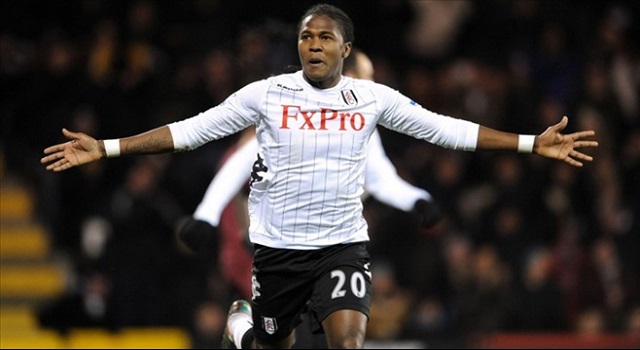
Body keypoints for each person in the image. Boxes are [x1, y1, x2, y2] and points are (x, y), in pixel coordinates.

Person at [41, 3, 598, 348]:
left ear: (345, 49)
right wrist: (108, 147)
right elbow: (192, 130)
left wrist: (530, 142)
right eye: (307, 36)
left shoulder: (371, 99)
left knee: (348, 344)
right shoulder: (267, 95)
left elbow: (443, 129)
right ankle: (245, 325)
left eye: (325, 37)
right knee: (269, 344)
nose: (313, 44)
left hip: (342, 246)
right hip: (279, 250)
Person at [176, 47, 442, 299]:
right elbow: (238, 165)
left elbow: (382, 180)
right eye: (368, 76)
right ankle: (243, 324)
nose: (375, 84)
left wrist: (417, 200)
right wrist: (206, 216)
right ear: (350, 78)